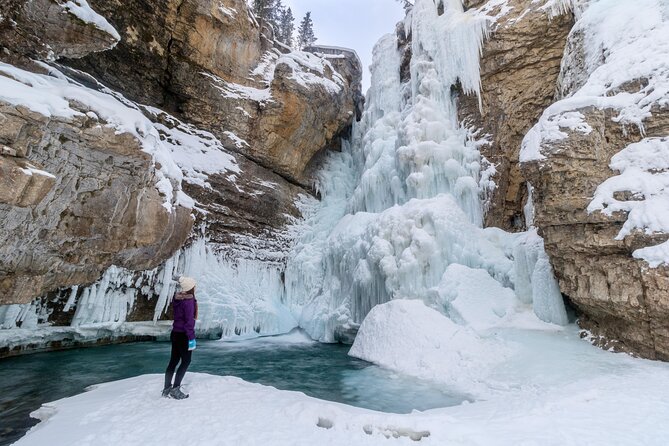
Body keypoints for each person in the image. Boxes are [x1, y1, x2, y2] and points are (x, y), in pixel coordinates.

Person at [162, 276, 198, 399]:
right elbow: (189, 322)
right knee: (186, 361)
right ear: (191, 288)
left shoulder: (177, 298)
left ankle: (167, 388)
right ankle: (175, 389)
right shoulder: (189, 302)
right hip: (184, 335)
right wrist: (191, 338)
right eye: (194, 286)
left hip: (175, 333)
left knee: (173, 361)